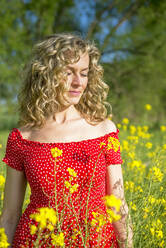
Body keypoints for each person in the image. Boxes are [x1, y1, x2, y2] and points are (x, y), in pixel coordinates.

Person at [0, 33, 133, 248]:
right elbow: (10, 215)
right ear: (46, 74)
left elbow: (118, 206)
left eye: (84, 73)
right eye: (68, 72)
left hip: (95, 241)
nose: (78, 82)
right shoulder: (22, 138)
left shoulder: (104, 131)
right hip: (37, 241)